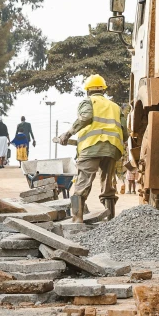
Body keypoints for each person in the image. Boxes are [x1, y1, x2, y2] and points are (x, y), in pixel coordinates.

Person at [58, 75, 127, 221]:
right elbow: (125, 131)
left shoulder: (88, 101)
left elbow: (86, 117)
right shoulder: (115, 106)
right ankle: (111, 220)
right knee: (108, 184)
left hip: (91, 148)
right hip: (113, 149)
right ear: (103, 90)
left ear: (87, 91)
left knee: (82, 183)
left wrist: (68, 133)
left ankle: (77, 219)